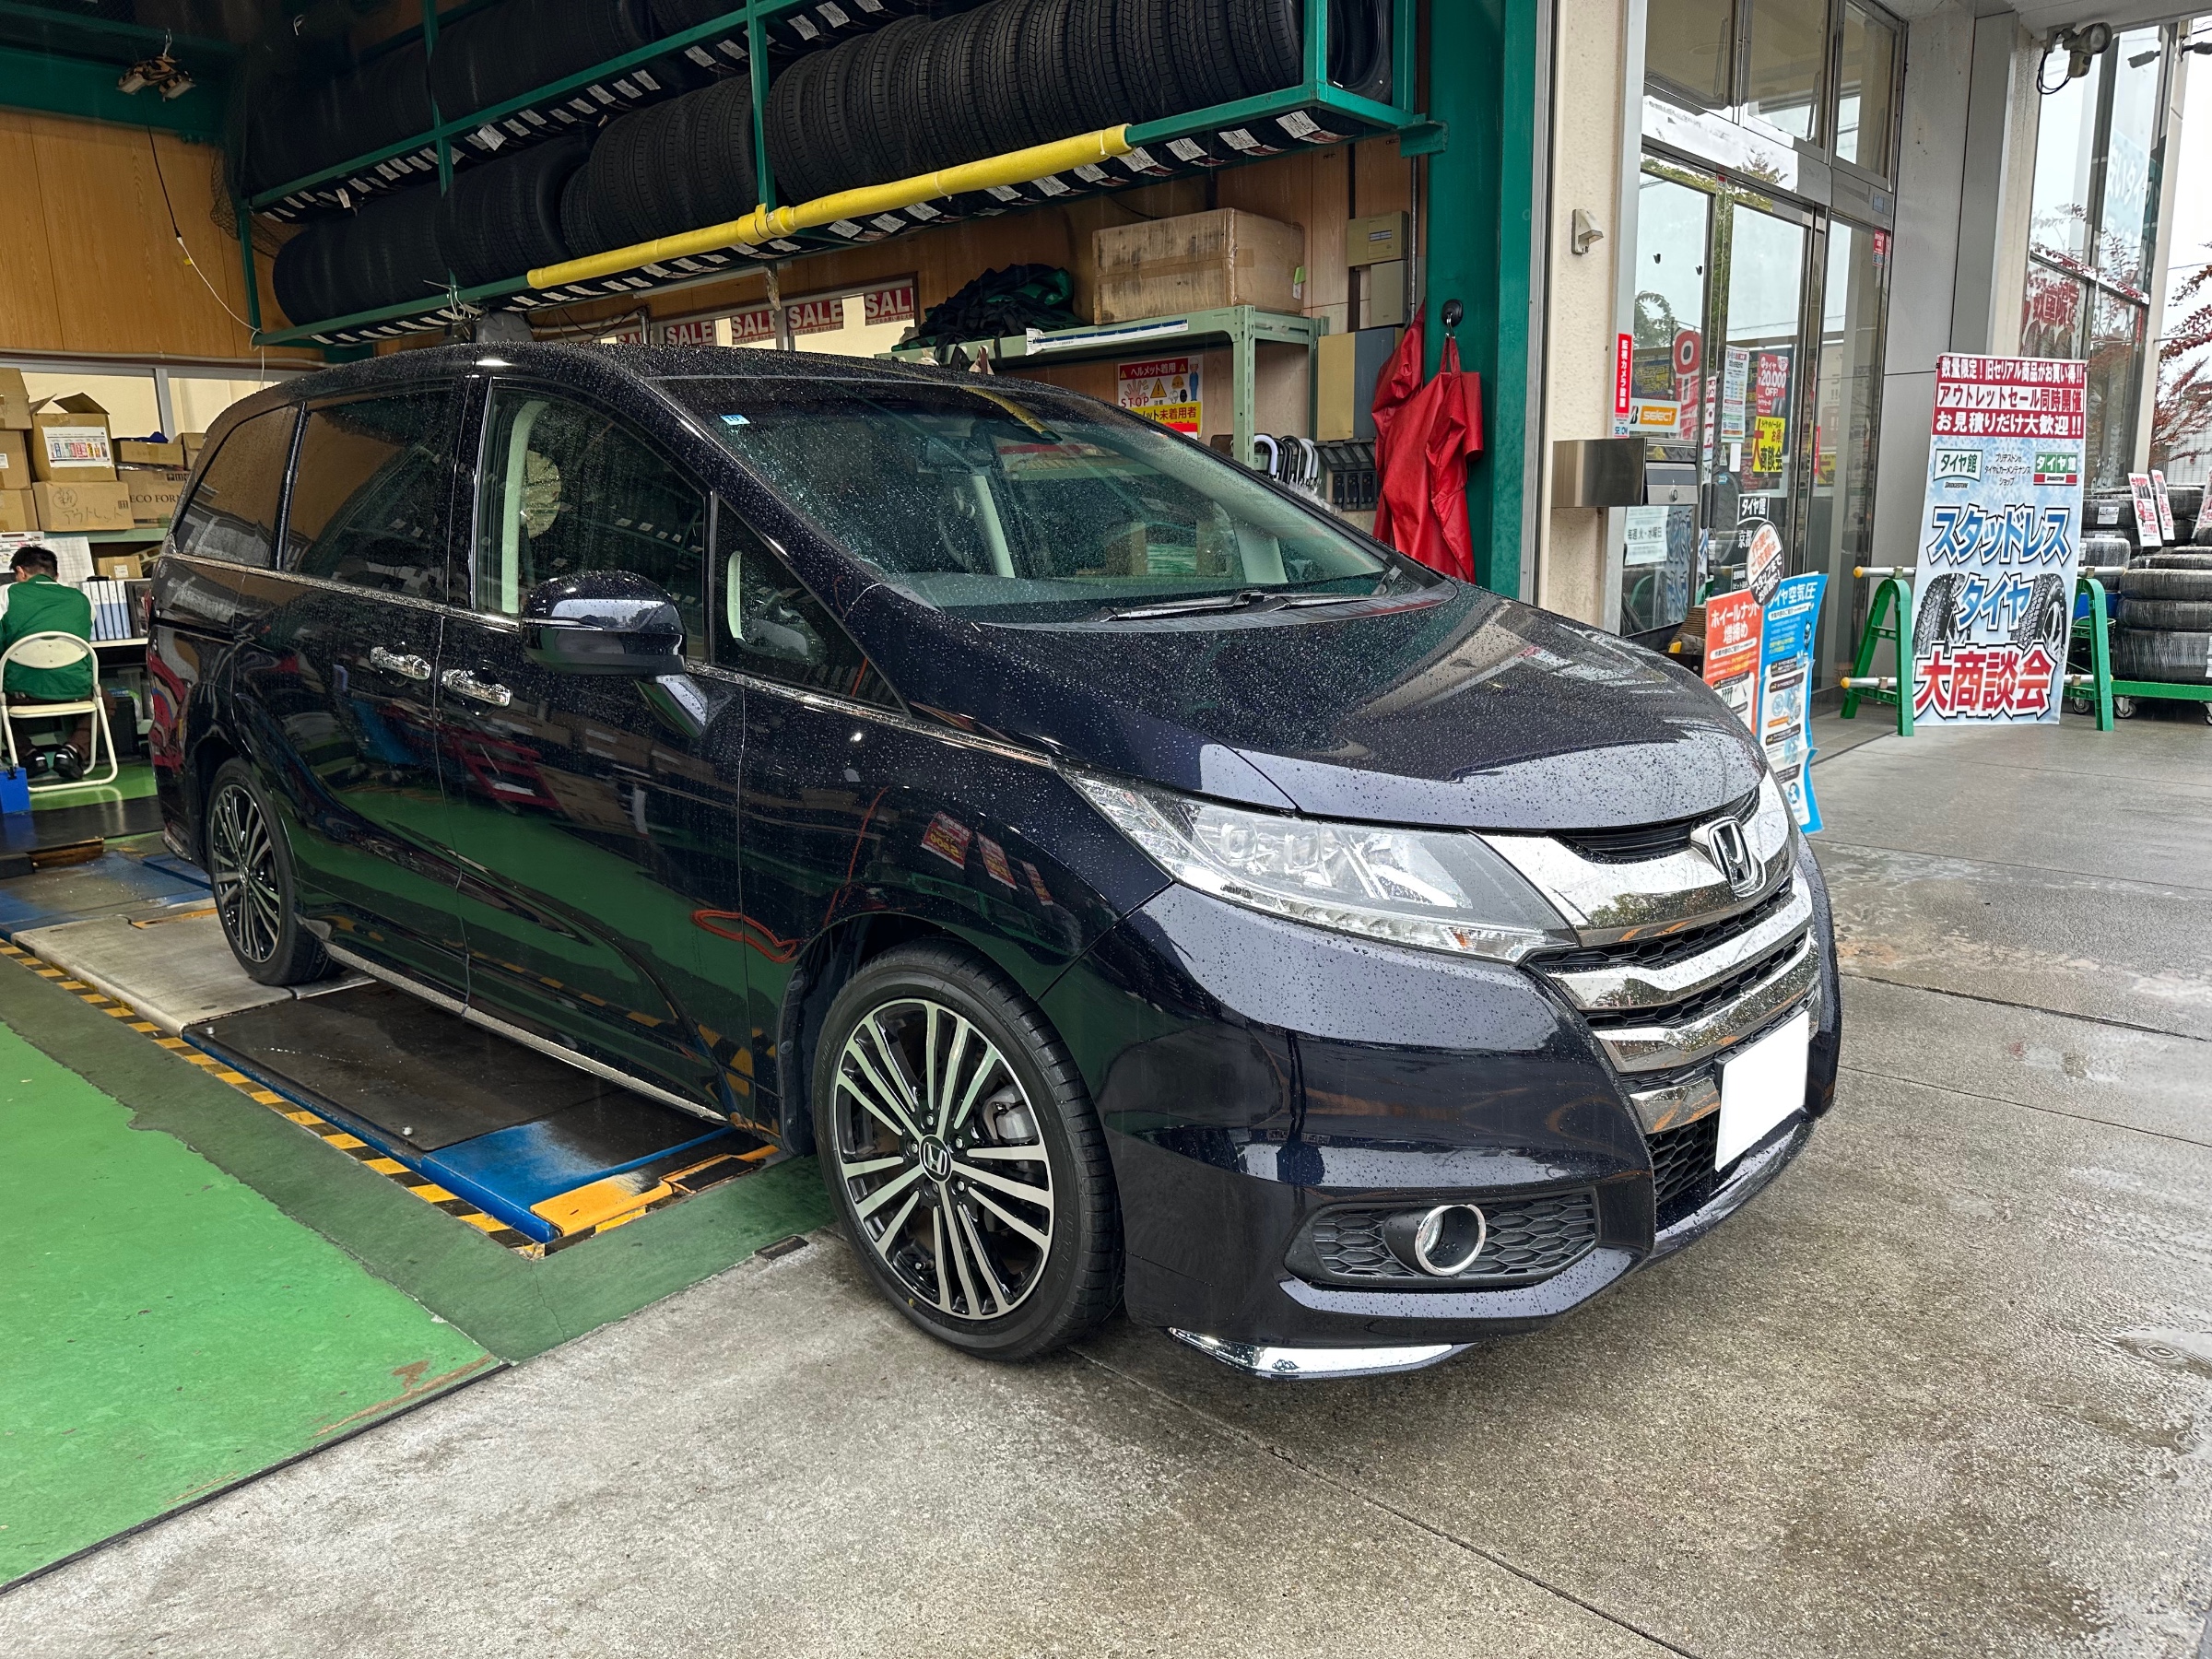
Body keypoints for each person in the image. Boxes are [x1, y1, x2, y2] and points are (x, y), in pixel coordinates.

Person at [1, 544, 96, 780]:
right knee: (106, 699)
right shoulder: (81, 598)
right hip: (75, 691)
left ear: (21, 572)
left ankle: (29, 754)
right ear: (56, 575)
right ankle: (72, 751)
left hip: (21, 692)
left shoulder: (6, 594)